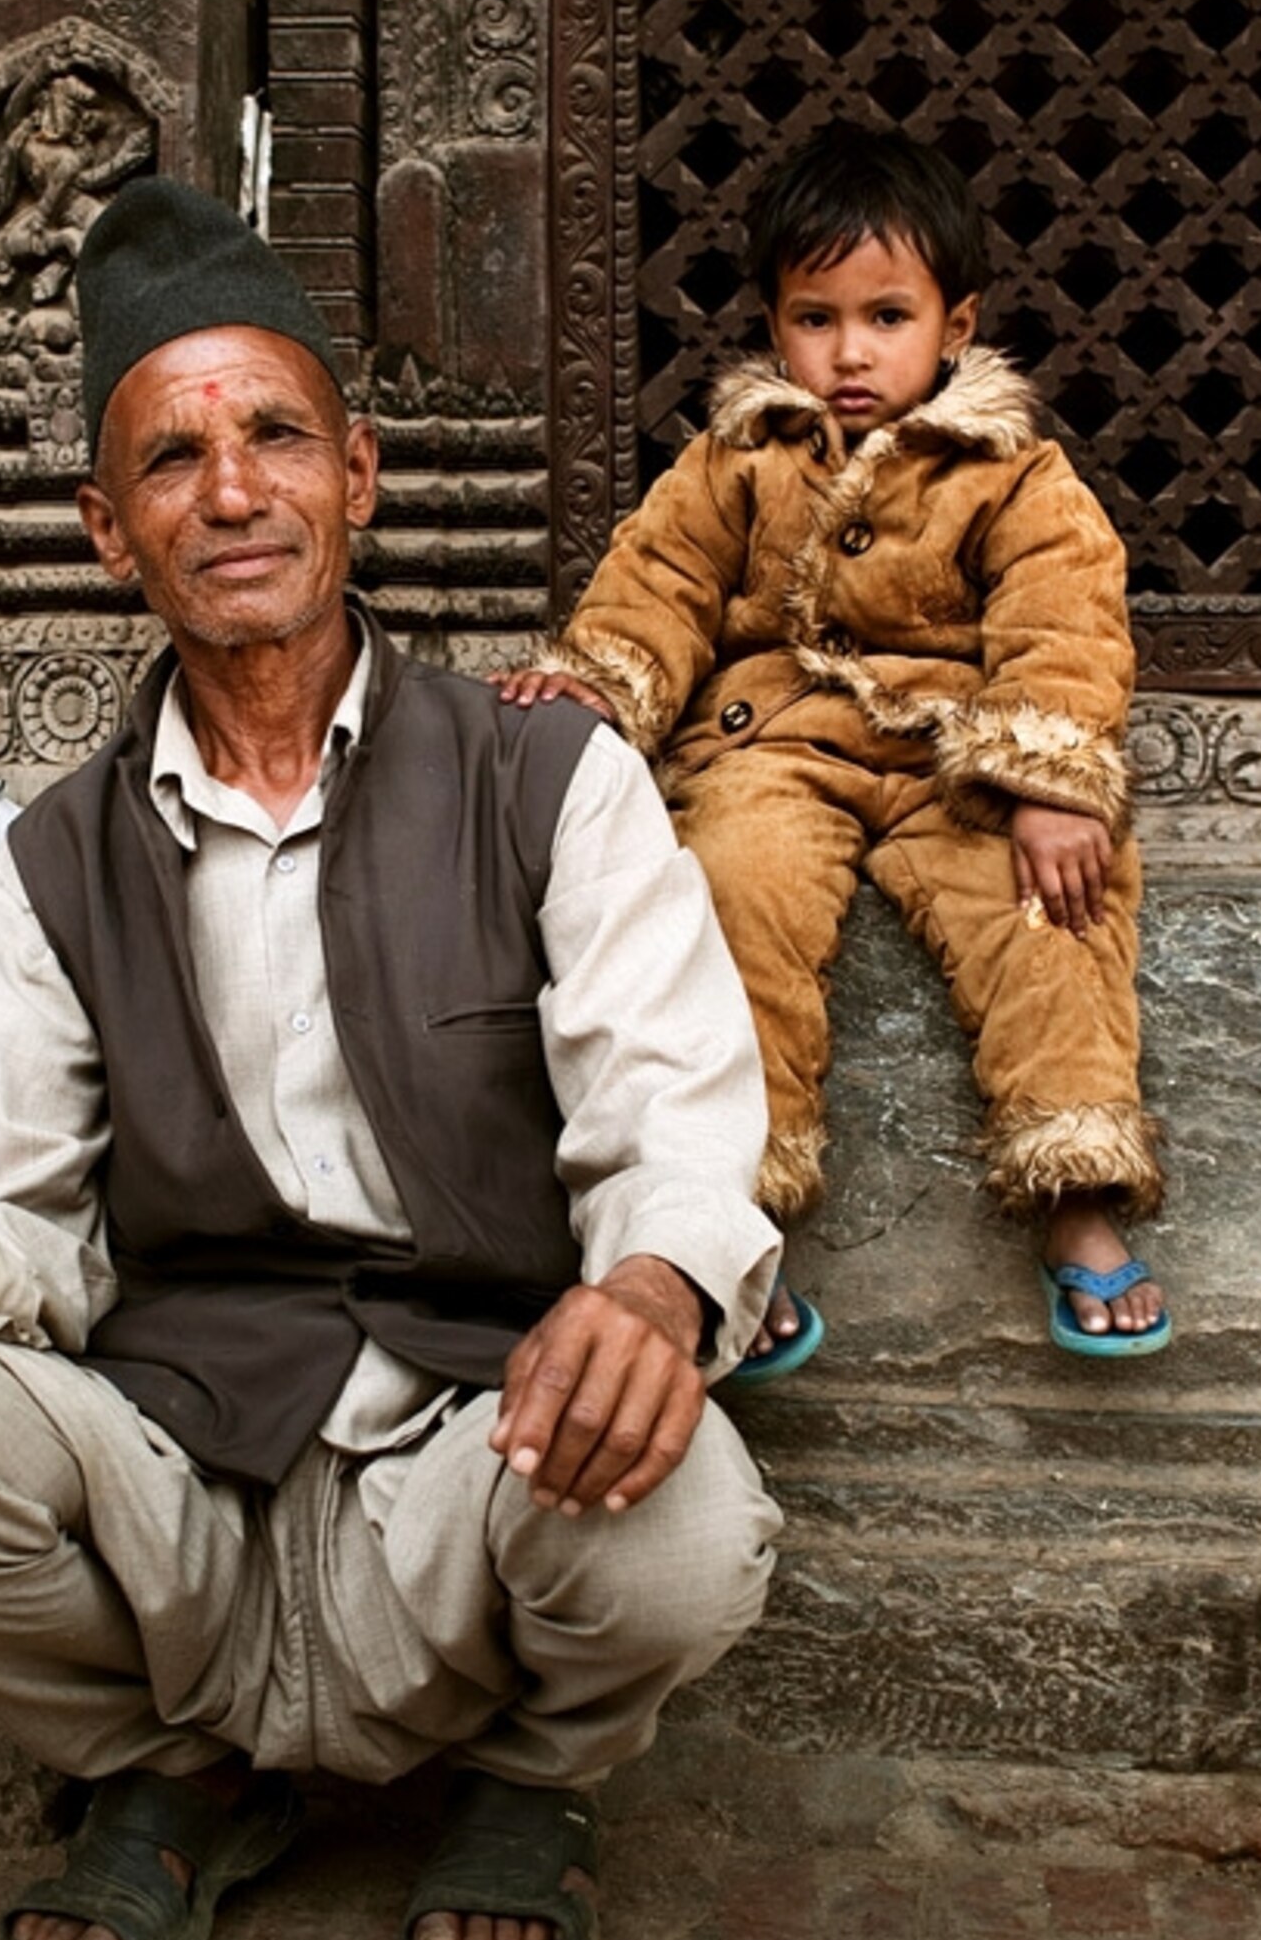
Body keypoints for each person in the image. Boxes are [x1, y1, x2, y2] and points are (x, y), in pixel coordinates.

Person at [0, 176, 785, 1940]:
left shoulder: (549, 781)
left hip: (476, 1447)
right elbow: (9, 1217)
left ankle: (528, 1790)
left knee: (684, 1511)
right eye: (172, 459)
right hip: (186, 1474)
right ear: (105, 527)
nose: (231, 492)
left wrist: (645, 1292)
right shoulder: (55, 862)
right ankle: (173, 1775)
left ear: (356, 476)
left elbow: (673, 1125)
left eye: (275, 436)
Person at [497, 122, 1170, 1368]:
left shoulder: (1015, 473)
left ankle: (1075, 1188)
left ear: (955, 322)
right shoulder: (741, 456)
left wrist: (1047, 776)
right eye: (815, 317)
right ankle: (727, 1225)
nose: (849, 353)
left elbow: (1065, 618)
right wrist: (601, 683)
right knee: (727, 893)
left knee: (1055, 907)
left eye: (887, 316)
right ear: (772, 322)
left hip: (952, 762)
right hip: (778, 742)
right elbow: (667, 576)